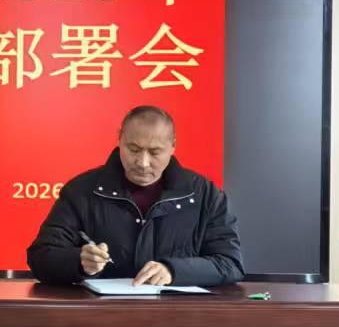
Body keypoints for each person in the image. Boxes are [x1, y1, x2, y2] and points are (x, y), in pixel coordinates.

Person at [27, 105, 243, 287]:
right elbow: (40, 258)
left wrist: (173, 271)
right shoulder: (82, 191)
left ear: (173, 146)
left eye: (155, 152)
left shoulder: (204, 194)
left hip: (178, 317)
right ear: (119, 140)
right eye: (133, 149)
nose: (143, 162)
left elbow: (230, 264)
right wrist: (79, 262)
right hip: (100, 316)